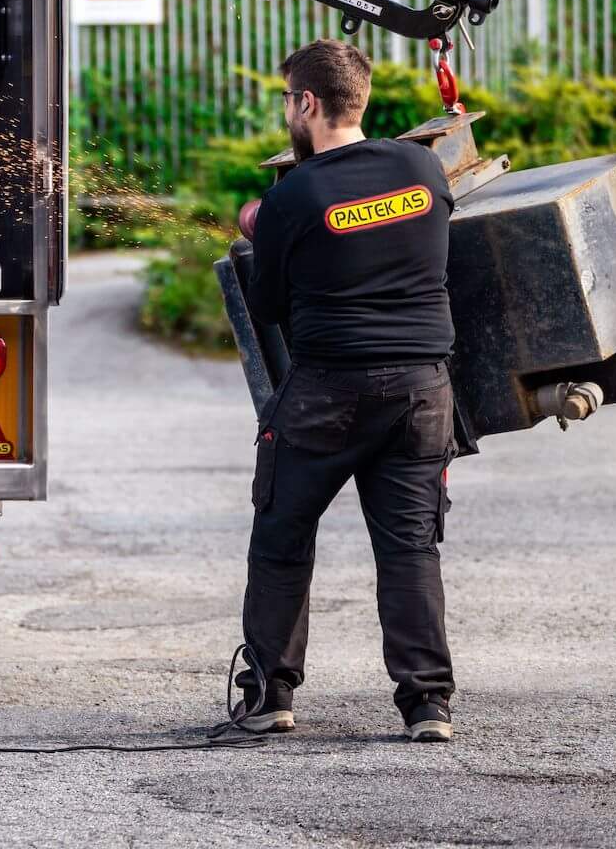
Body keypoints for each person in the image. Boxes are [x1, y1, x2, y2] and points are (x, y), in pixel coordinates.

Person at [231, 38, 459, 742]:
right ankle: (427, 705)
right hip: (424, 393)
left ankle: (270, 695)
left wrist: (258, 229)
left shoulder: (294, 195)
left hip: (327, 394)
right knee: (410, 548)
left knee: (282, 535)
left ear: (307, 103)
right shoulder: (422, 166)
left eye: (286, 102)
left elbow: (265, 306)